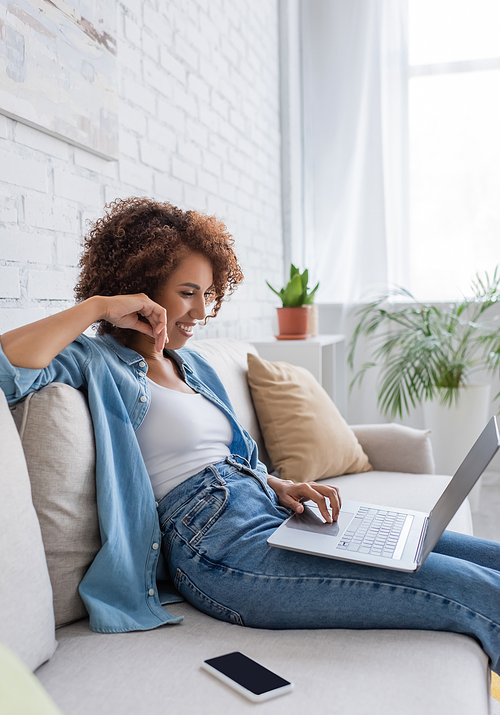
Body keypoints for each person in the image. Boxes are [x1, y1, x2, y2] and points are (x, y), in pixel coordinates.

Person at [1, 197, 500, 675]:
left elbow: (226, 456)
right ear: (141, 286)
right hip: (219, 548)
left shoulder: (191, 364)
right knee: (476, 590)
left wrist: (278, 486)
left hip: (266, 509)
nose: (201, 312)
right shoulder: (97, 361)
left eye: (208, 294)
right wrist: (98, 308)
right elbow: (8, 369)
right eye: (187, 292)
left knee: (483, 559)